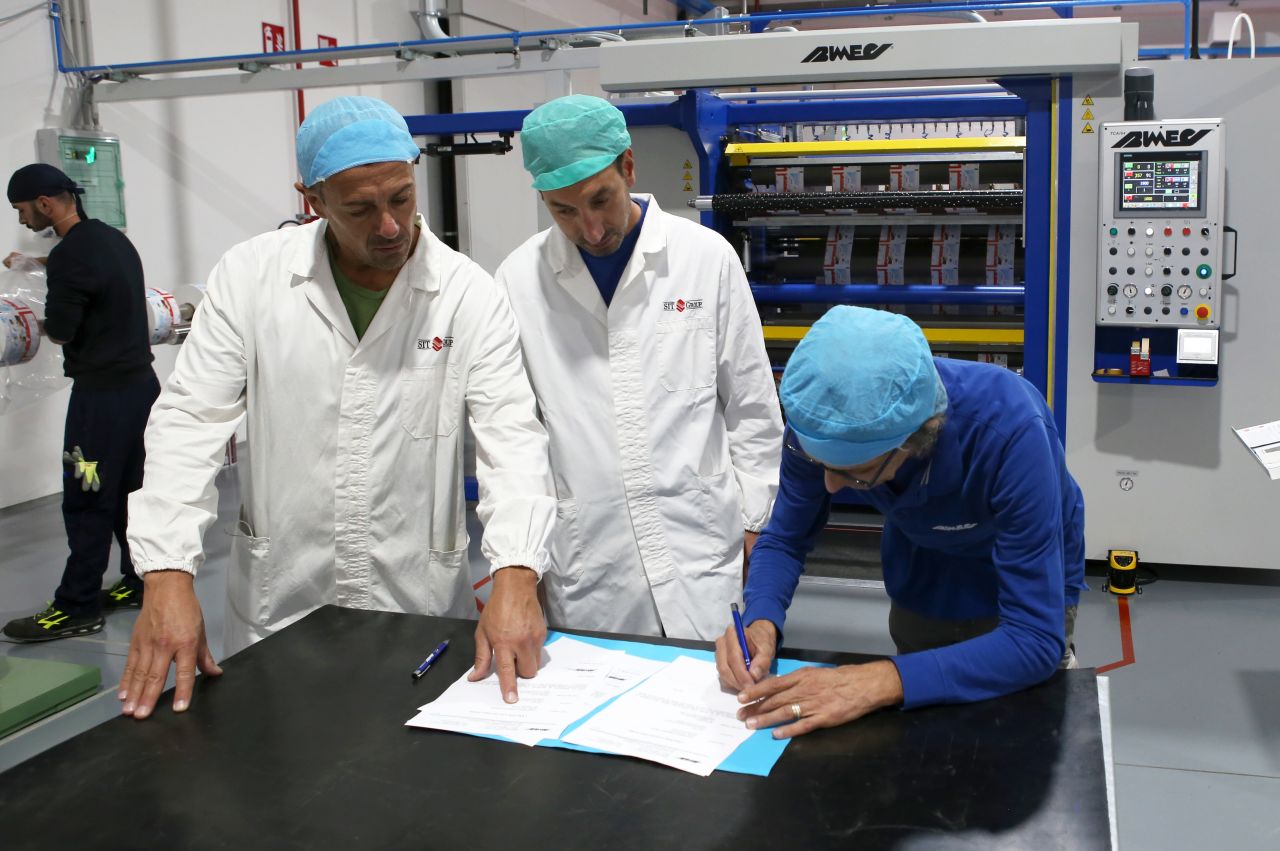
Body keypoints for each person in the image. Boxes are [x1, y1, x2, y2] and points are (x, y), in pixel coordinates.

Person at [119, 96, 557, 720]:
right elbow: (190, 421)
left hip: (418, 603)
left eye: (401, 198)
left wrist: (515, 570)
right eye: (360, 208)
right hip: (281, 604)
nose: (390, 226)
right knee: (278, 759)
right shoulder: (251, 279)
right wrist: (167, 571)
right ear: (313, 200)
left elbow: (510, 437)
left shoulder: (467, 294)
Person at [715, 306, 1086, 738]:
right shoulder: (818, 416)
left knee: (1022, 727)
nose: (830, 486)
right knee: (929, 728)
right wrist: (761, 619)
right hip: (923, 564)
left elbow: (1033, 640)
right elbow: (785, 539)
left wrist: (877, 680)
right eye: (822, 465)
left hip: (1027, 567)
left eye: (856, 473)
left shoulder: (1011, 429)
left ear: (916, 439)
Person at [495, 95, 782, 640]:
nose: (590, 228)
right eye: (563, 211)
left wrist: (757, 528)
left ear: (628, 166)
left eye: (600, 200)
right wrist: (523, 562)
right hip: (591, 565)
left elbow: (751, 409)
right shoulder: (517, 281)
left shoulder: (705, 258)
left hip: (700, 551)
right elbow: (516, 436)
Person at [3, 164, 160, 642]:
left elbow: (62, 329)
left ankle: (76, 606)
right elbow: (89, 274)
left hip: (100, 403)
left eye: (22, 210)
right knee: (129, 492)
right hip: (140, 392)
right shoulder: (111, 240)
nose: (23, 219)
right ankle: (139, 580)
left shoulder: (71, 256)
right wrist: (38, 265)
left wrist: (28, 325)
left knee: (86, 493)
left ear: (45, 204)